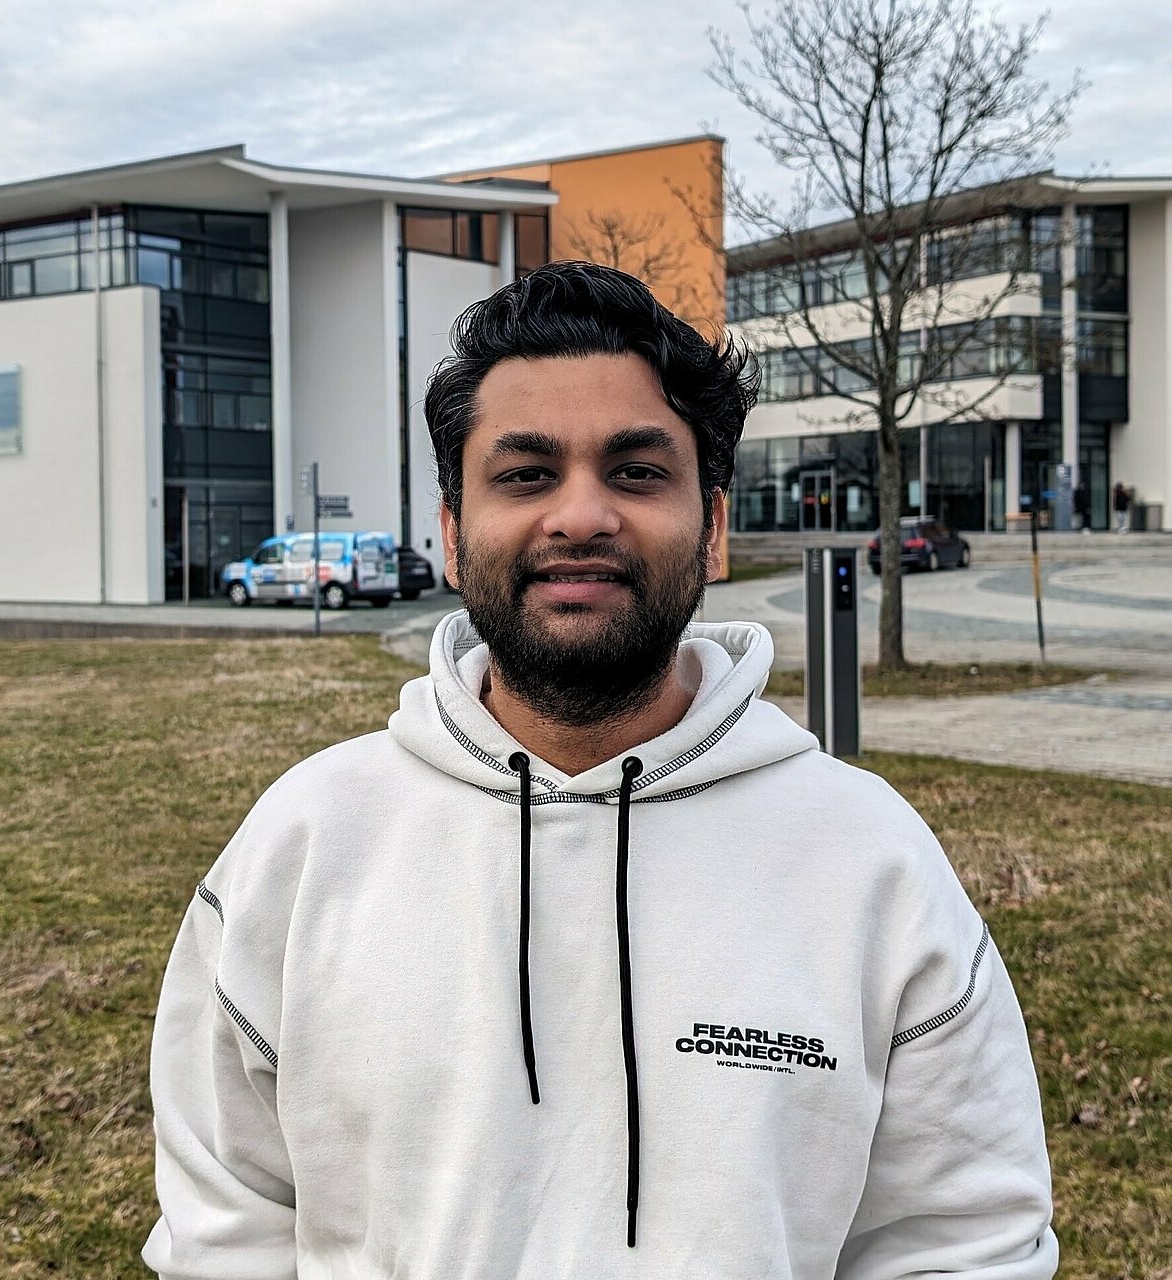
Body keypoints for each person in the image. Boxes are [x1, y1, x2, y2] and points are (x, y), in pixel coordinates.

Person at [143, 262, 1057, 1278]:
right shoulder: (303, 845)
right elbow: (225, 1225)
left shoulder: (870, 861)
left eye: (634, 470)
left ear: (710, 527)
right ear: (451, 531)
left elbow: (961, 1240)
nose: (579, 514)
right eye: (526, 473)